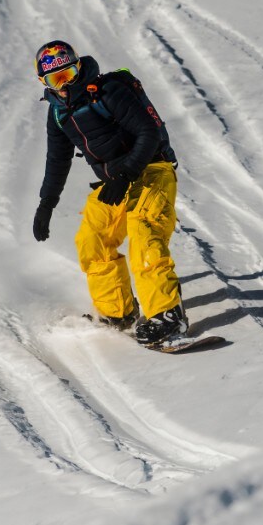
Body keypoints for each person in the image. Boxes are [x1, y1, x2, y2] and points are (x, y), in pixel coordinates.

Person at [30, 40, 188, 345]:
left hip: (151, 170)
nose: (65, 85)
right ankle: (118, 312)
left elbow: (148, 132)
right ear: (44, 82)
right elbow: (57, 160)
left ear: (79, 68)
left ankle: (168, 316)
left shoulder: (108, 92)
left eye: (69, 74)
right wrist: (46, 203)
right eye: (56, 79)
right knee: (92, 240)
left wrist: (125, 174)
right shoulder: (58, 113)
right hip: (114, 183)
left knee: (144, 234)